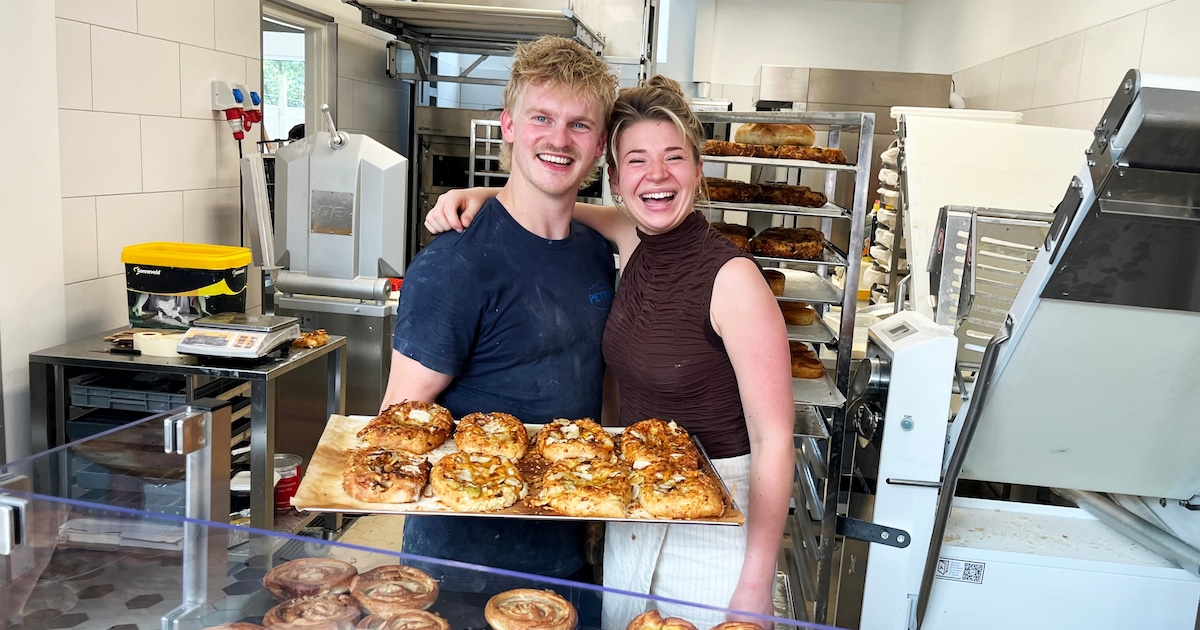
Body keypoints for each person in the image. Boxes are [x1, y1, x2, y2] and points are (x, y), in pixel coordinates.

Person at [426, 76, 795, 629]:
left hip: (716, 519)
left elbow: (775, 439)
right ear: (616, 179)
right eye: (637, 160)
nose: (657, 175)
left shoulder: (733, 279)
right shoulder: (635, 241)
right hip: (634, 505)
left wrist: (756, 581)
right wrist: (487, 201)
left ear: (698, 169)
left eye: (674, 157)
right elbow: (562, 209)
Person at [379, 35, 618, 626]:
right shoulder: (454, 265)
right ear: (508, 125)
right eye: (542, 118)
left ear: (600, 144)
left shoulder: (597, 253)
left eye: (579, 125)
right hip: (462, 570)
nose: (559, 140)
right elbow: (397, 426)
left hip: (568, 552)